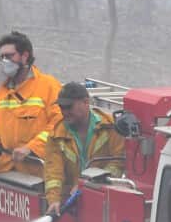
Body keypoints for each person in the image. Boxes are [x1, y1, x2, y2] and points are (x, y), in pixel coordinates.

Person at [0, 31, 62, 178]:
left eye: (9, 56)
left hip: (37, 173)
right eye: (2, 57)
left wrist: (31, 148)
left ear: (25, 56)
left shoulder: (49, 86)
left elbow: (59, 127)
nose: (5, 61)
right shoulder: (2, 92)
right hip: (6, 173)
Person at [44, 82, 125, 214]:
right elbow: (53, 173)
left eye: (69, 107)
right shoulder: (56, 136)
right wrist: (53, 200)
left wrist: (90, 184)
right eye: (61, 107)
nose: (64, 112)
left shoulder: (110, 128)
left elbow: (118, 164)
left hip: (104, 204)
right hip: (71, 207)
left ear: (86, 102)